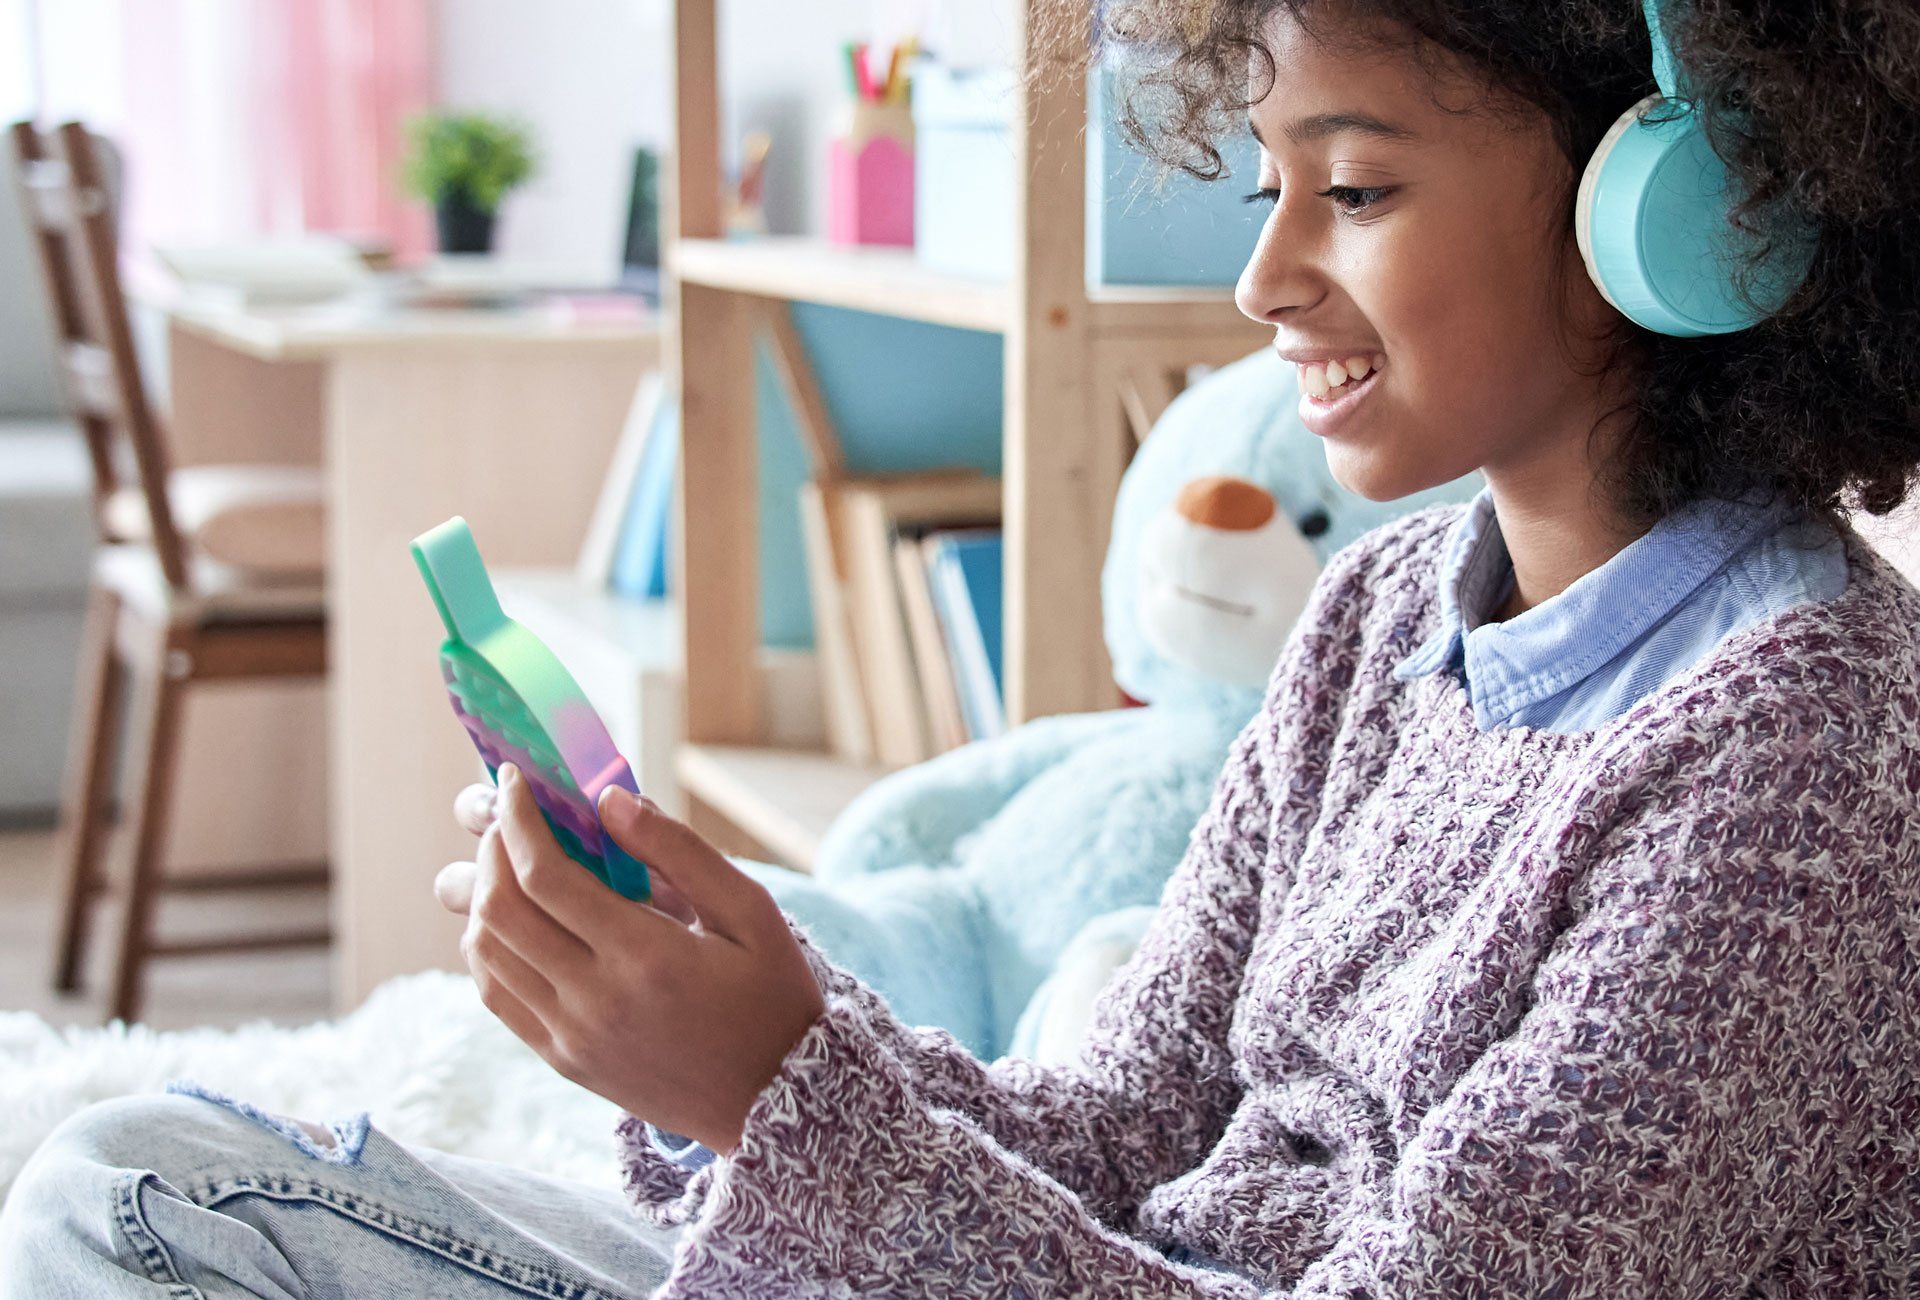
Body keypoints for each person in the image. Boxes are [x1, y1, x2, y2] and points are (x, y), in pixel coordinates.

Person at [6, 0, 1919, 1294]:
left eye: (1353, 190)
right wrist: (745, 1034)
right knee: (141, 1165)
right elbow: (1125, 1135)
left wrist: (779, 1102)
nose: (1263, 279)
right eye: (1267, 188)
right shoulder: (1375, 617)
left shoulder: (1803, 761)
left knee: (145, 1207)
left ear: (1691, 215)